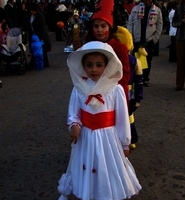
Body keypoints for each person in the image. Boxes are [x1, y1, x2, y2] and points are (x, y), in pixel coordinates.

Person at [57, 41, 142, 200]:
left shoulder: (115, 89)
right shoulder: (78, 89)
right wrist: (75, 125)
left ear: (107, 66)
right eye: (89, 65)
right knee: (87, 164)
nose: (94, 69)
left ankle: (107, 193)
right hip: (86, 137)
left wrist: (125, 142)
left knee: (106, 166)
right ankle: (88, 191)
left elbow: (122, 118)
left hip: (108, 138)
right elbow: (73, 113)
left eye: (98, 65)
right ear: (83, 67)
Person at [85, 0, 130, 103]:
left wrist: (115, 92)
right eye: (96, 26)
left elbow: (125, 73)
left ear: (110, 28)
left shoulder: (119, 48)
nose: (99, 30)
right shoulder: (88, 46)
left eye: (103, 26)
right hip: (91, 92)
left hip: (113, 94)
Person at [115, 26, 143, 149]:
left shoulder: (134, 61)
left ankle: (131, 138)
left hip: (129, 93)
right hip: (116, 92)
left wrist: (138, 98)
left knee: (129, 116)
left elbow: (139, 81)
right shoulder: (113, 60)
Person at [127, 0, 163, 87]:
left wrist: (155, 39)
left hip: (149, 39)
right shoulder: (135, 9)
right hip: (137, 39)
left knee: (148, 60)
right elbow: (130, 23)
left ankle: (145, 78)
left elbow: (159, 25)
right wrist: (131, 37)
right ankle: (137, 77)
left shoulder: (157, 10)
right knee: (136, 60)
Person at [22, 3, 51, 69]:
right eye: (31, 10)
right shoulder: (29, 16)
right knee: (33, 49)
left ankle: (44, 62)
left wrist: (41, 37)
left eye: (33, 10)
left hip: (39, 35)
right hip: (32, 35)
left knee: (41, 49)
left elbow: (42, 28)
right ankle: (34, 62)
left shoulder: (40, 16)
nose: (32, 12)